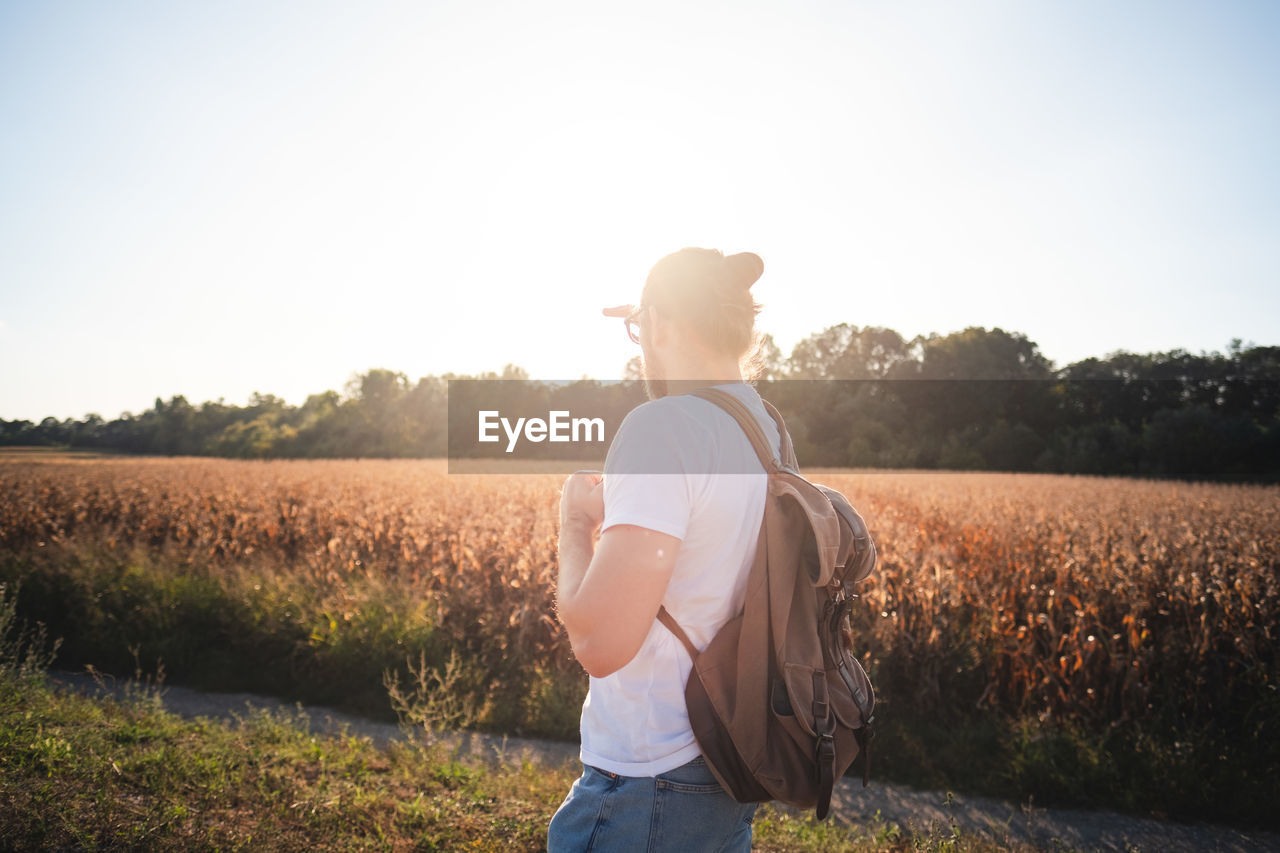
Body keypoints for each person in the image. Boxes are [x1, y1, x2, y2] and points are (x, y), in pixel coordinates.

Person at [548, 247, 781, 852]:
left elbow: (600, 644)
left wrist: (575, 524)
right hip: (730, 758)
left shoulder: (663, 426)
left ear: (661, 324)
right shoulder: (765, 428)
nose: (639, 345)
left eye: (638, 326)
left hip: (649, 778)